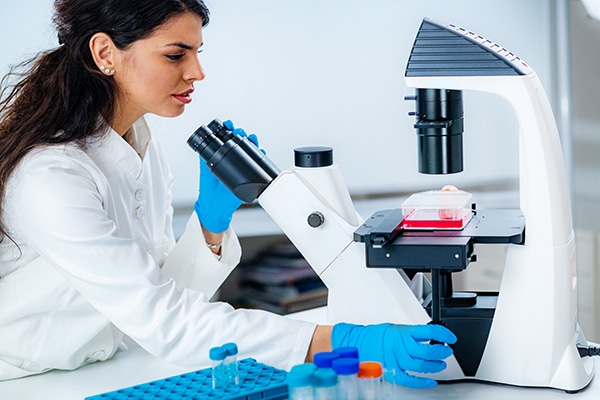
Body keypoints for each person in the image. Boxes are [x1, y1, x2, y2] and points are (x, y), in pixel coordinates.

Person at [0, 0, 456, 389]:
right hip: (28, 379)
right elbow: (166, 321)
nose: (197, 72)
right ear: (105, 53)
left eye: (197, 53)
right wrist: (342, 341)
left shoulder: (140, 144)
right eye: (176, 55)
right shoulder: (51, 176)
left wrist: (211, 224)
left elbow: (161, 295)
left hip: (102, 366)